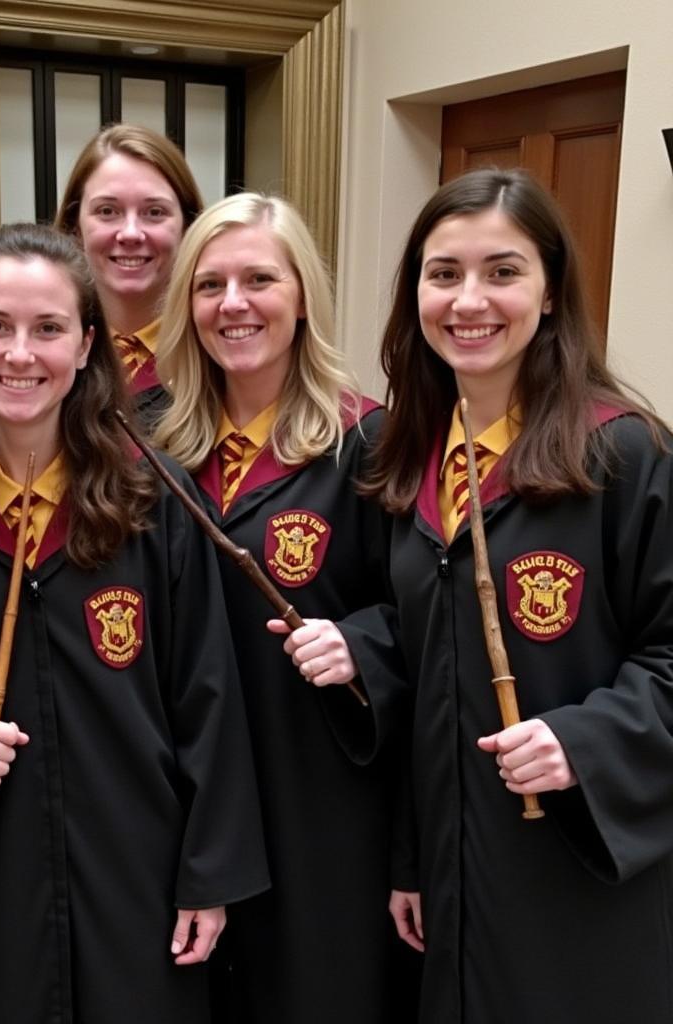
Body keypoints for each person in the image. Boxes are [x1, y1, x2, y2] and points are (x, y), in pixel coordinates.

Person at [0, 222, 269, 1024]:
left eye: (48, 329)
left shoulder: (151, 503)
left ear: (88, 345)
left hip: (139, 876)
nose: (20, 354)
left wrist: (209, 873)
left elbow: (209, 695)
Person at [364, 167, 673, 1024]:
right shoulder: (411, 467)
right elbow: (428, 683)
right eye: (443, 273)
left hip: (578, 868)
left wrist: (584, 741)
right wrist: (411, 858)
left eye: (503, 272)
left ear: (550, 291)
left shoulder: (623, 455)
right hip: (452, 874)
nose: (469, 300)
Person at [153, 193, 416, 1024]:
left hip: (318, 804)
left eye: (259, 279)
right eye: (209, 284)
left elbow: (424, 620)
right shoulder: (145, 445)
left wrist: (362, 647)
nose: (233, 304)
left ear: (302, 294)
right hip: (182, 803)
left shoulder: (369, 444)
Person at [55, 123, 203, 430]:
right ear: (75, 227)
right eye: (108, 211)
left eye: (155, 212)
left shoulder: (216, 355)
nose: (131, 233)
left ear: (188, 226)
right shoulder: (44, 352)